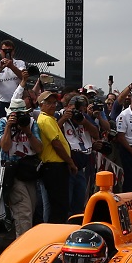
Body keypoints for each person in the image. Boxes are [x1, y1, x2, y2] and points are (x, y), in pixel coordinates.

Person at [0, 93, 44, 237]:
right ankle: (23, 244)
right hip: (13, 171)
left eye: (21, 114)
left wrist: (28, 132)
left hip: (29, 171)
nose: (19, 117)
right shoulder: (3, 122)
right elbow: (5, 146)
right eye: (15, 114)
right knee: (23, 211)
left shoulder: (31, 122)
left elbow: (39, 149)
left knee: (31, 208)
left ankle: (26, 241)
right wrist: (8, 127)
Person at [36, 90, 77, 224]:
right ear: (41, 105)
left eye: (54, 103)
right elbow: (56, 144)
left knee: (58, 204)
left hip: (55, 166)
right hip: (54, 166)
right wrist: (70, 162)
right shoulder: (46, 119)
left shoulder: (50, 119)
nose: (53, 106)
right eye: (49, 103)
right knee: (58, 204)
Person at [60, 93, 104, 216]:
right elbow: (54, 132)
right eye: (75, 110)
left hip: (82, 165)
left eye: (80, 110)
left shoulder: (84, 117)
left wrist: (84, 121)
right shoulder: (60, 115)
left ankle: (77, 221)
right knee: (66, 202)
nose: (77, 113)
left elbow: (96, 134)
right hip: (67, 165)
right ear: (68, 106)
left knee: (79, 201)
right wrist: (64, 118)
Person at [0, 40, 27, 126]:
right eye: (5, 50)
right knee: (1, 127)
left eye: (9, 50)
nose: (7, 53)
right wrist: (0, 68)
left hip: (17, 102)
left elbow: (23, 77)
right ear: (0, 51)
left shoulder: (19, 63)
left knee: (18, 126)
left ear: (13, 52)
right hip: (2, 103)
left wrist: (11, 66)